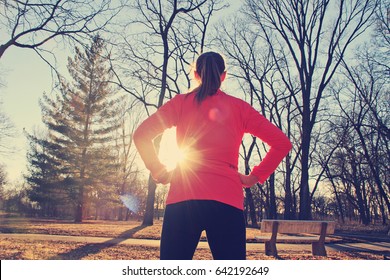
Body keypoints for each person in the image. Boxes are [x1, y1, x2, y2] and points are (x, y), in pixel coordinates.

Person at [133, 51, 292, 260]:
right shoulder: (239, 108)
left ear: (196, 74)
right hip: (227, 200)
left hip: (184, 197)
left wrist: (159, 170)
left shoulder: (181, 103)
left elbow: (141, 134)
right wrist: (253, 177)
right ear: (224, 76)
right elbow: (282, 143)